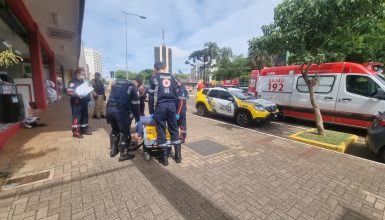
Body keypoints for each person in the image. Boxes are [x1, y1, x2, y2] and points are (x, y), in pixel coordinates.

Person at [149, 61, 180, 166]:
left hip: (160, 107)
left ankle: (164, 159)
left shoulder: (154, 78)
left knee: (161, 130)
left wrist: (152, 112)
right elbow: (177, 95)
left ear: (155, 69)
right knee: (174, 129)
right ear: (164, 67)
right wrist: (176, 111)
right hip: (172, 106)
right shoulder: (173, 77)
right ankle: (178, 156)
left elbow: (151, 97)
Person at [106, 79, 140, 161]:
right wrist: (137, 117)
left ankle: (113, 150)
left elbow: (109, 98)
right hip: (120, 112)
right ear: (137, 84)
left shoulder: (117, 83)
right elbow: (136, 104)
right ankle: (123, 154)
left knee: (115, 130)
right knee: (125, 133)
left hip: (109, 109)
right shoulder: (133, 87)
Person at [67, 68, 92, 138]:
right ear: (78, 74)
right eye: (82, 74)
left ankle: (84, 129)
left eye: (84, 75)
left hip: (84, 102)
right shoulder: (72, 82)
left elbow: (88, 91)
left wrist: (89, 100)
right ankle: (75, 132)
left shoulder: (83, 82)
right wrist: (78, 95)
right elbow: (69, 92)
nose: (84, 76)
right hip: (76, 103)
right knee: (77, 117)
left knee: (85, 116)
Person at [175, 76, 189, 148]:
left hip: (181, 110)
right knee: (177, 125)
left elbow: (181, 102)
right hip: (179, 110)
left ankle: (182, 139)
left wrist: (177, 113)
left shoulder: (181, 89)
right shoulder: (178, 88)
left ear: (178, 82)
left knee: (182, 125)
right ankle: (177, 137)